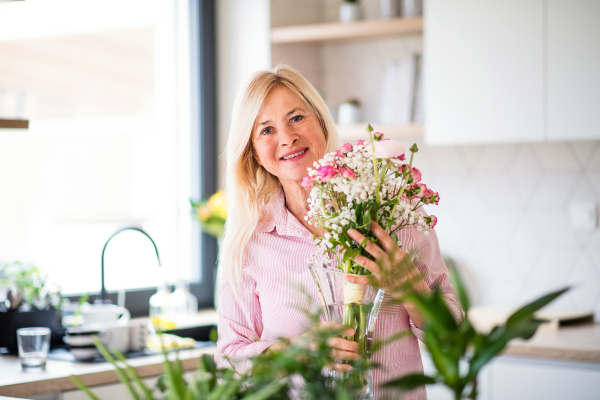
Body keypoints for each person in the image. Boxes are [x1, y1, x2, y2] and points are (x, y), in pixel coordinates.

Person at [215, 65, 462, 399]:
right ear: (253, 152)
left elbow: (454, 336)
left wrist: (410, 287)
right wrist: (301, 350)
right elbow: (230, 359)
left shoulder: (392, 212)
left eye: (297, 118)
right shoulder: (248, 243)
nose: (287, 137)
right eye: (266, 130)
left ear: (320, 120)